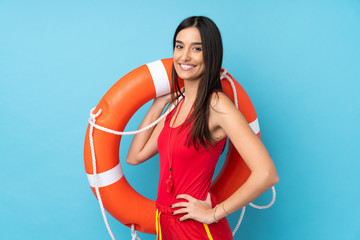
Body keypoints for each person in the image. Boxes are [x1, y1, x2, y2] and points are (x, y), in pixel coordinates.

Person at [126, 16, 279, 240]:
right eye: (179, 46)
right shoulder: (176, 106)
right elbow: (135, 156)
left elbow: (267, 174)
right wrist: (159, 103)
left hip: (197, 229)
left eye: (196, 49)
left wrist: (215, 213)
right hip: (165, 225)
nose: (185, 56)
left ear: (211, 54)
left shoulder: (217, 105)